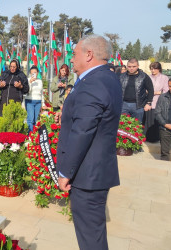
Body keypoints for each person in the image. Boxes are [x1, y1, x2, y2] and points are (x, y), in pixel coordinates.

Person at [55, 34, 122, 250]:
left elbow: (83, 131)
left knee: (91, 239)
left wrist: (65, 172)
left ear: (89, 54)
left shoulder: (93, 83)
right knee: (93, 235)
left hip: (87, 175)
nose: (71, 60)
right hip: (96, 171)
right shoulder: (107, 78)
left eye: (74, 54)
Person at [119, 58, 154, 123]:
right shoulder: (121, 76)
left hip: (138, 106)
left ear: (138, 66)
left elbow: (150, 90)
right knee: (123, 127)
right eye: (129, 66)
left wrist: (148, 103)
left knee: (137, 127)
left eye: (134, 66)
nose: (131, 68)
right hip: (124, 105)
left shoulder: (144, 76)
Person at [145, 62, 169, 142]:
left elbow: (166, 91)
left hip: (159, 102)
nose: (153, 70)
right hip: (148, 102)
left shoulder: (164, 78)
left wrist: (155, 92)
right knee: (148, 120)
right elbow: (144, 89)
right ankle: (147, 137)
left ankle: (156, 138)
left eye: (154, 69)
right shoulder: (148, 77)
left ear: (159, 69)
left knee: (157, 120)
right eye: (151, 69)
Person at [25, 66, 43, 133]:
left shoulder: (40, 81)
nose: (33, 74)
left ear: (37, 73)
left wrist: (43, 103)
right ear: (30, 73)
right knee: (30, 119)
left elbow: (41, 93)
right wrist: (30, 82)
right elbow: (27, 91)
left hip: (38, 101)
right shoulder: (28, 80)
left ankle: (34, 135)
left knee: (35, 120)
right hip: (30, 100)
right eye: (32, 73)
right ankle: (29, 135)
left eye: (35, 72)